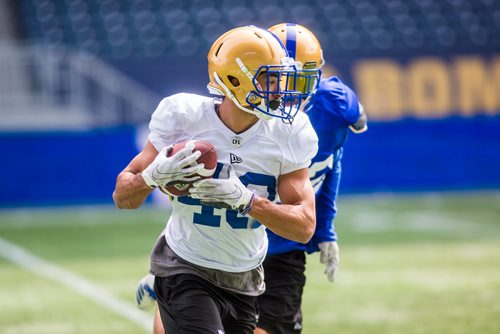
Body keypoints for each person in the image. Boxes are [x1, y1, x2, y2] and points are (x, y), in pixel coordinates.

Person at [113, 25, 319, 334]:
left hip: (245, 277)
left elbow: (304, 227)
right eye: (268, 79)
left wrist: (248, 202)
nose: (279, 90)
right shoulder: (184, 117)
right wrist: (151, 177)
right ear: (235, 80)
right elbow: (123, 197)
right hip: (185, 266)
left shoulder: (290, 133)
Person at [253, 23, 368, 334]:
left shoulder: (334, 107)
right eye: (277, 78)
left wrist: (326, 230)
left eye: (298, 80)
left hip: (284, 243)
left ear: (316, 76)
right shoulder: (242, 112)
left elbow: (331, 163)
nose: (287, 91)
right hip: (232, 238)